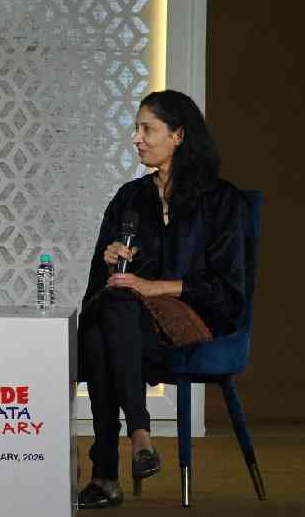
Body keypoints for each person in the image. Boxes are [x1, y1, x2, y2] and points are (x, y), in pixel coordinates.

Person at [77, 90, 249, 509]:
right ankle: (139, 440)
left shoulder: (221, 200)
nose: (136, 138)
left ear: (179, 135)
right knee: (109, 310)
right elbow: (102, 285)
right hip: (135, 327)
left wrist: (154, 287)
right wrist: (110, 262)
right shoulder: (129, 198)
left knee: (109, 323)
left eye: (147, 129)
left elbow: (227, 291)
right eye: (136, 129)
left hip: (198, 321)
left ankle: (109, 468)